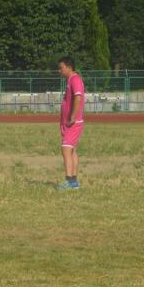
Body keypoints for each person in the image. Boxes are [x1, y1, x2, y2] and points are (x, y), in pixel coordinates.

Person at [57, 56, 85, 190]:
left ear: (69, 67)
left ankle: (68, 181)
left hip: (73, 123)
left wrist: (72, 117)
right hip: (68, 123)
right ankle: (73, 182)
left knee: (66, 149)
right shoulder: (70, 80)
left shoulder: (75, 79)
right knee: (72, 150)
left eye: (61, 68)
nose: (59, 70)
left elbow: (78, 98)